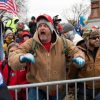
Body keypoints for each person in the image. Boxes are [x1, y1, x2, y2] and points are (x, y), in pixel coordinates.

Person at [8, 14, 85, 100]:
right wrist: (21, 58)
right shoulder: (31, 43)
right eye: (39, 26)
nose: (42, 28)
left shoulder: (63, 42)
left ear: (51, 29)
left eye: (45, 25)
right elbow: (13, 57)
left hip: (57, 88)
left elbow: (76, 51)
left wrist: (79, 57)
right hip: (37, 87)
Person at [68, 29, 100, 100]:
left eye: (99, 37)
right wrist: (71, 85)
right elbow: (73, 70)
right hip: (84, 89)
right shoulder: (79, 50)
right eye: (94, 38)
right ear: (88, 39)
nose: (97, 39)